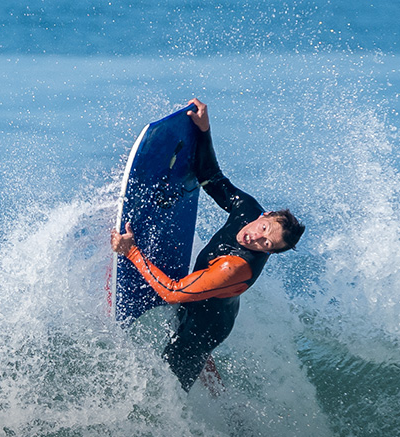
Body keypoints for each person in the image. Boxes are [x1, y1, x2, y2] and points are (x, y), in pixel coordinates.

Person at [111, 99, 304, 391]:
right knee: (203, 367)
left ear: (269, 252)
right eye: (264, 229)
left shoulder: (235, 268)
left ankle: (210, 426)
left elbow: (173, 292)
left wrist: (132, 252)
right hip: (212, 304)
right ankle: (226, 405)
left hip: (204, 329)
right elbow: (212, 179)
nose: (256, 238)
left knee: (169, 388)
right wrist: (204, 130)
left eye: (267, 244)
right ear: (264, 216)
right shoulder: (247, 209)